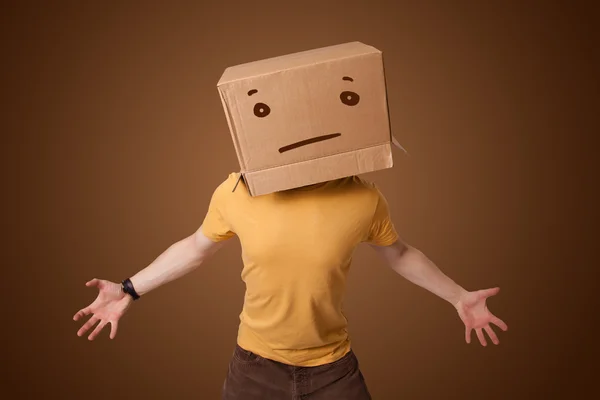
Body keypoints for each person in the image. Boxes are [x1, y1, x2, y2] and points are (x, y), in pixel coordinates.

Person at [73, 172, 508, 399]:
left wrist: (459, 296)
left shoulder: (362, 197)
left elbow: (398, 252)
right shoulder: (237, 191)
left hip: (334, 370)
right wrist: (129, 288)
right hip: (254, 369)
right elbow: (196, 247)